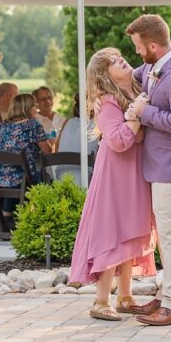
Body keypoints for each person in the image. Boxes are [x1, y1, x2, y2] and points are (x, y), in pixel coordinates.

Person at [70, 48, 157, 321]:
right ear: (104, 75)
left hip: (136, 171)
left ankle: (126, 295)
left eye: (118, 56)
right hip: (116, 174)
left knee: (131, 230)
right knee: (112, 231)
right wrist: (134, 119)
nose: (120, 60)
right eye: (112, 62)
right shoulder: (107, 101)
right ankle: (100, 299)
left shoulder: (136, 90)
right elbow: (118, 141)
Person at [124, 14, 171, 327]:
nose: (137, 54)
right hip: (161, 165)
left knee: (170, 235)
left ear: (153, 45)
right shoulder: (155, 67)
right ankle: (166, 295)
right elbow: (131, 75)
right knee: (165, 233)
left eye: (139, 47)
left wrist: (145, 111)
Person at [0, 93, 53, 221]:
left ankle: (7, 214)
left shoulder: (3, 125)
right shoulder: (32, 125)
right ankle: (38, 218)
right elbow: (47, 151)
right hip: (21, 179)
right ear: (27, 108)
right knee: (46, 178)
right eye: (35, 105)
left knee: (14, 170)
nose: (37, 109)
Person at [52, 93, 99, 181]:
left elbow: (57, 149)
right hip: (85, 178)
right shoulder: (97, 124)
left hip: (61, 177)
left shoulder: (67, 122)